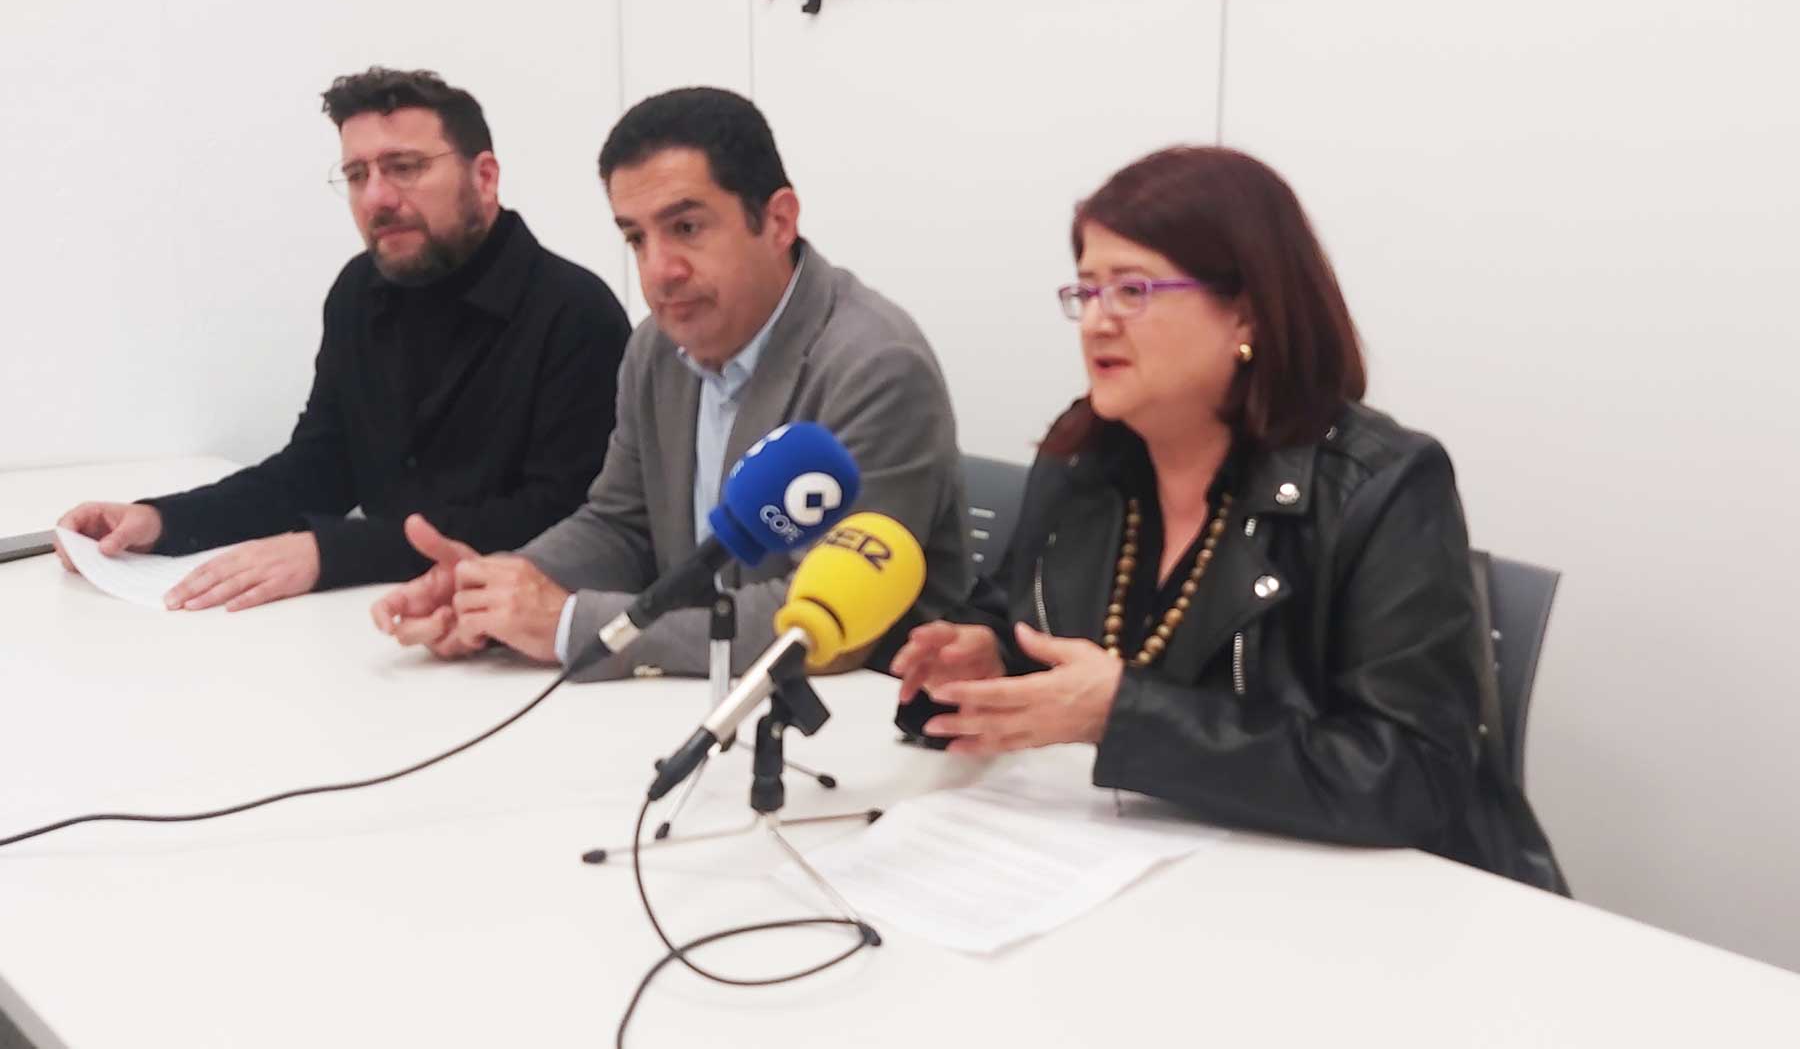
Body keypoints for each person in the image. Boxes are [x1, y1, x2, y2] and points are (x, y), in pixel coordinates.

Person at [891, 146, 1564, 890]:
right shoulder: (1083, 459)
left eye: (1132, 289)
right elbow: (1031, 618)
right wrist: (987, 654)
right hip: (1142, 878)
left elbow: (1410, 776)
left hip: (1352, 906)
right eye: (1086, 292)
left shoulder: (1383, 486)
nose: (1097, 323)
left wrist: (1124, 717)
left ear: (1246, 308)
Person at [371, 87, 969, 678]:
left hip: (863, 726)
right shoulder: (656, 349)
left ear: (779, 220)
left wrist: (568, 624)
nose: (659, 271)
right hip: (688, 701)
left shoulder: (875, 366)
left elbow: (823, 632)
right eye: (636, 238)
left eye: (686, 227)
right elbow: (621, 528)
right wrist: (494, 590)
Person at [54, 67, 631, 611]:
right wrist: (160, 522)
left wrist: (333, 552)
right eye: (357, 175)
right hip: (360, 622)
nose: (377, 197)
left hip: (508, 633)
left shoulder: (576, 312)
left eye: (404, 166)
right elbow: (316, 469)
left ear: (484, 177)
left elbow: (565, 522)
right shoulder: (359, 291)